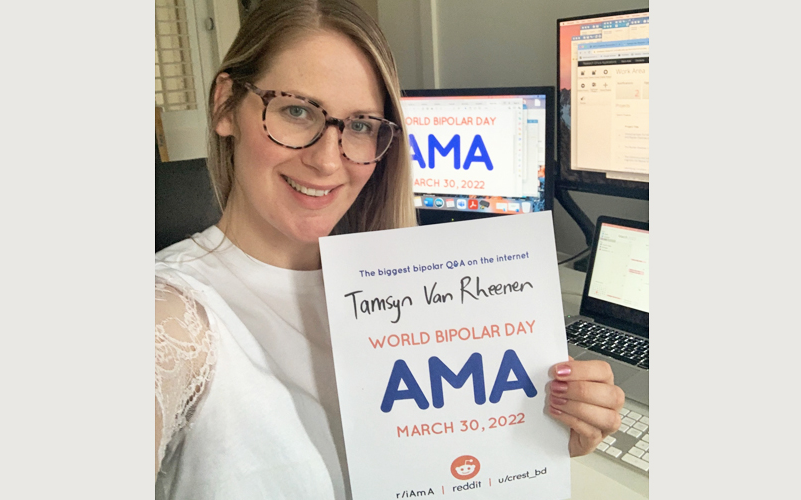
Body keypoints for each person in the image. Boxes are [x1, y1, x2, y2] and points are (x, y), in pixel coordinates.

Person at [154, 1, 626, 498]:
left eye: (359, 126)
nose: (326, 160)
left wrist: (529, 443)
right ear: (226, 104)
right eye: (296, 110)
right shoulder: (174, 318)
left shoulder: (411, 298)